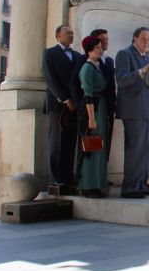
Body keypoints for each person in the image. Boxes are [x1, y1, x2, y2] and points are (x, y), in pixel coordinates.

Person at [115, 27, 149, 199]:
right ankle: (130, 187)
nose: (146, 42)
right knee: (135, 149)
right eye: (143, 38)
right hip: (134, 109)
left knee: (147, 151)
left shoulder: (147, 57)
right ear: (135, 38)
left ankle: (141, 184)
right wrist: (140, 72)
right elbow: (122, 79)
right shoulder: (124, 54)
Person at [42, 24, 82, 194]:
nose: (71, 35)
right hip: (58, 105)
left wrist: (76, 101)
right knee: (56, 142)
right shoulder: (49, 53)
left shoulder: (78, 56)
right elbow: (49, 78)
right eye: (67, 33)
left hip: (75, 106)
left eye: (72, 33)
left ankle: (68, 177)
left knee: (70, 142)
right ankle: (56, 178)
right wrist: (65, 99)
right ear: (58, 36)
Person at [70, 29, 116, 161]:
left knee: (105, 140)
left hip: (106, 107)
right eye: (102, 40)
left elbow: (111, 85)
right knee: (90, 141)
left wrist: (113, 104)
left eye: (107, 39)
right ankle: (89, 175)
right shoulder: (85, 61)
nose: (105, 42)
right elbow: (75, 83)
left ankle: (100, 173)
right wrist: (81, 105)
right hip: (91, 107)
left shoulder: (110, 61)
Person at [76, 36, 109, 198]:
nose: (101, 49)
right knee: (90, 146)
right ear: (90, 49)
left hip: (99, 107)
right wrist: (91, 118)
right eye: (98, 46)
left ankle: (96, 183)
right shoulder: (87, 68)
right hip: (92, 109)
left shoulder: (97, 67)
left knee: (98, 146)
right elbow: (87, 94)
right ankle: (87, 184)